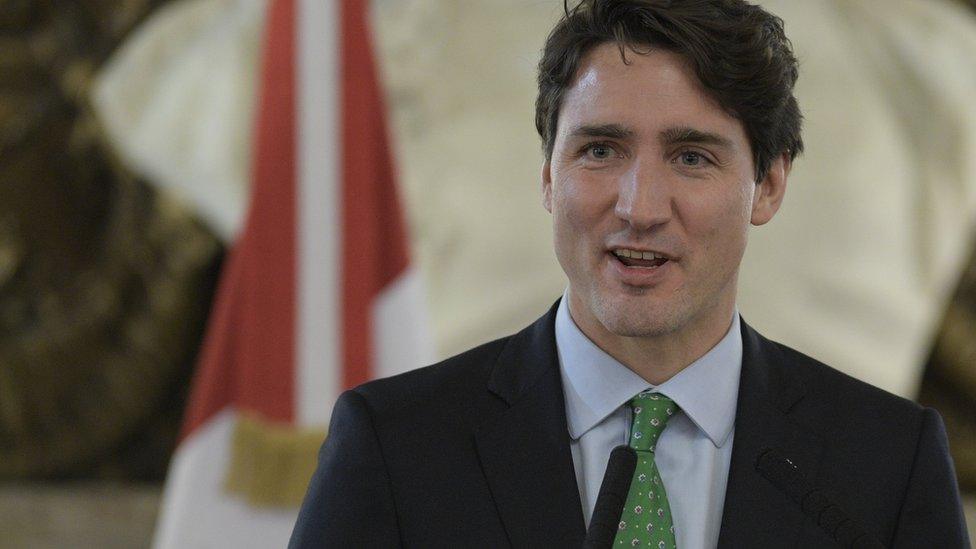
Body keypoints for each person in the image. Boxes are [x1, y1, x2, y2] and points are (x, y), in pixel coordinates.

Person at [289, 0, 969, 547]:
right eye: (601, 149)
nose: (639, 208)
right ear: (548, 175)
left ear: (768, 186)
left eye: (692, 157)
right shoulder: (394, 443)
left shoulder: (885, 459)